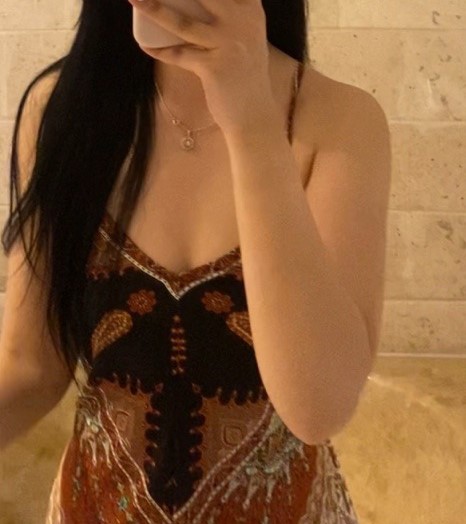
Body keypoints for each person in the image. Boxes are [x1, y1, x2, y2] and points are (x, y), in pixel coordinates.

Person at [0, 0, 391, 522]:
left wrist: (251, 120)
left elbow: (319, 409)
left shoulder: (342, 122)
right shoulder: (63, 110)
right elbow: (31, 365)